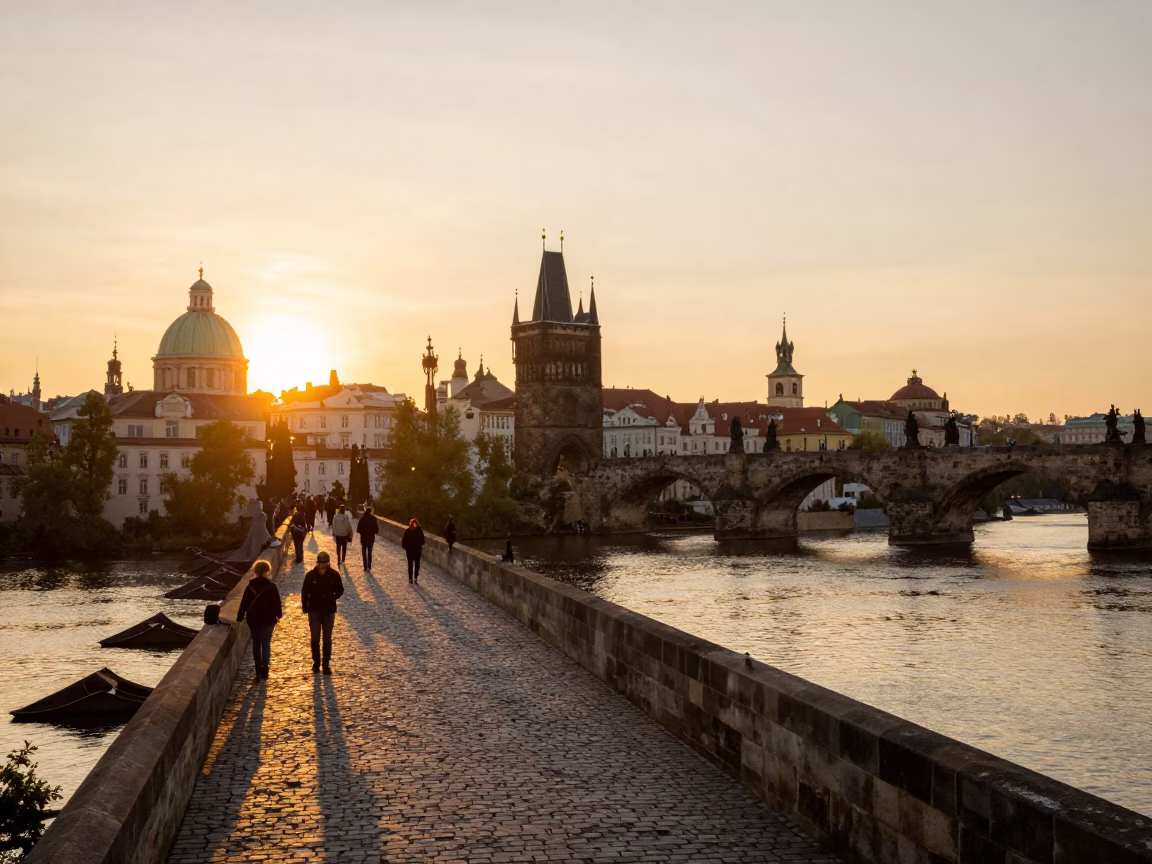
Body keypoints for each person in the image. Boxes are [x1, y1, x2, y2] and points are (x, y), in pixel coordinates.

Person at [237, 560, 282, 680]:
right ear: (268, 571)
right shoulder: (271, 586)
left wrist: (239, 617)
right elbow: (277, 603)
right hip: (268, 619)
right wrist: (279, 615)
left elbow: (244, 604)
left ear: (255, 571)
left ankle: (257, 670)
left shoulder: (250, 586)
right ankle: (265, 669)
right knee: (266, 644)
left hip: (254, 619)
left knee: (256, 644)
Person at [301, 550, 344, 674]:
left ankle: (326, 664)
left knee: (327, 638)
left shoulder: (334, 575)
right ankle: (316, 662)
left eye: (326, 563)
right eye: (322, 563)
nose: (324, 566)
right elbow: (305, 592)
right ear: (317, 563)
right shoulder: (310, 576)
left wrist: (332, 597)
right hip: (314, 610)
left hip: (329, 610)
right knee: (315, 638)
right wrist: (305, 607)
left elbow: (340, 590)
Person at [401, 518, 425, 584]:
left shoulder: (407, 531)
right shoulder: (420, 531)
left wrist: (407, 548)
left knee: (410, 564)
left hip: (409, 551)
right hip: (417, 550)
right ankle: (415, 578)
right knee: (417, 564)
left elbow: (403, 543)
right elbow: (423, 542)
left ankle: (410, 579)